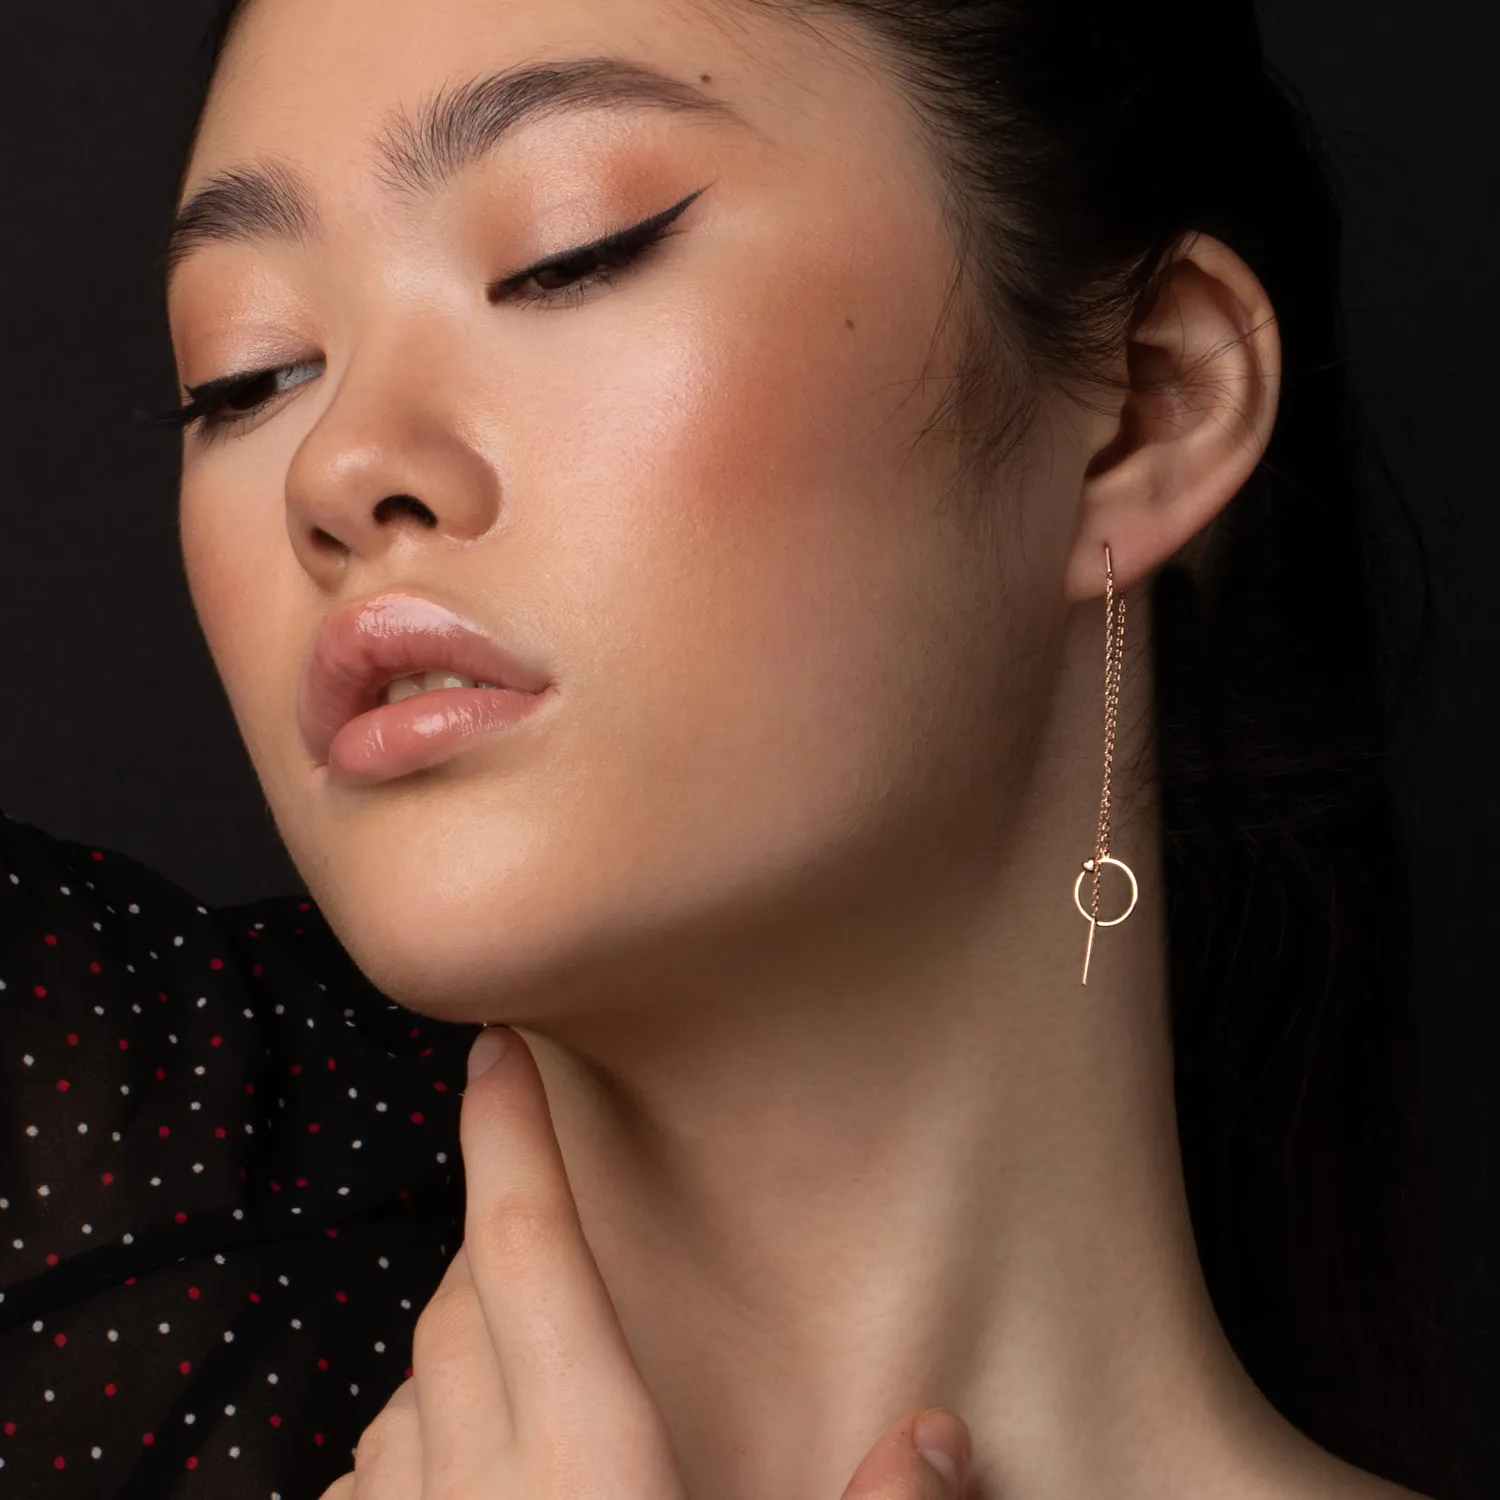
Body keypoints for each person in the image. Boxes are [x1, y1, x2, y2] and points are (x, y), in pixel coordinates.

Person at [0, 0, 1472, 1495]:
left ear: (1148, 409)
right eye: (248, 373)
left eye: (567, 254)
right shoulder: (108, 1230)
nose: (336, 466)